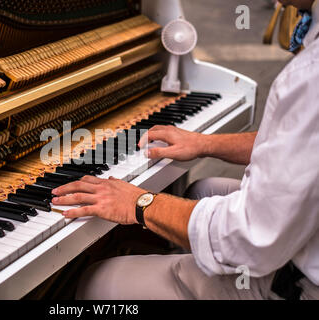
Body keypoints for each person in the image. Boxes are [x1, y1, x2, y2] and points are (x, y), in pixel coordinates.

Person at [51, 0, 319, 300]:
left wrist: (140, 203)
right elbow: (294, 144)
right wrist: (206, 143)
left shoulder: (311, 75)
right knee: (202, 191)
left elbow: (250, 238)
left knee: (99, 282)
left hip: (300, 284)